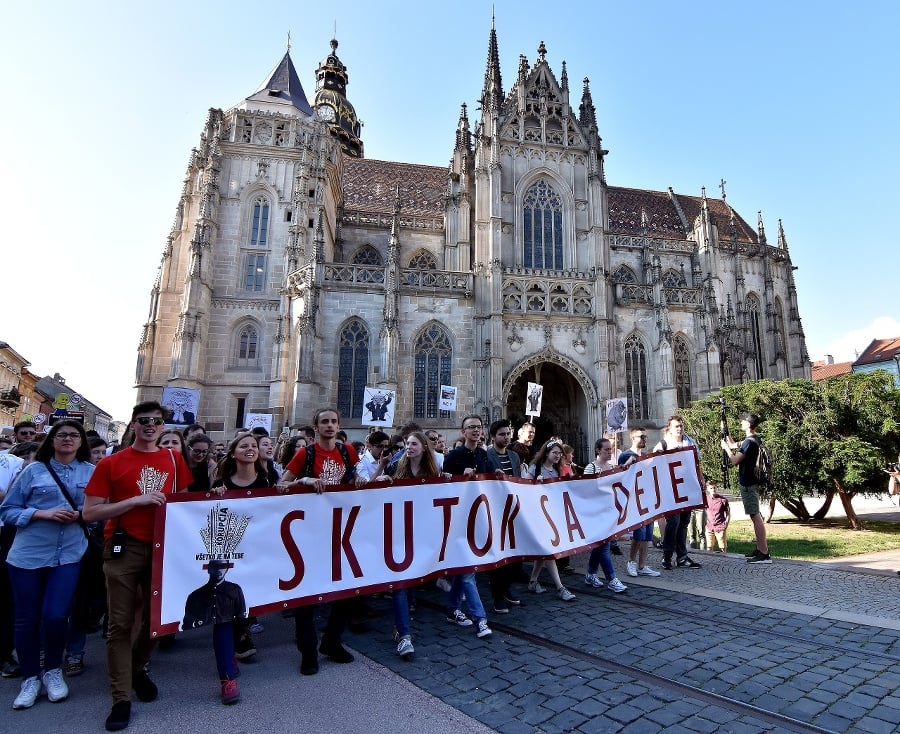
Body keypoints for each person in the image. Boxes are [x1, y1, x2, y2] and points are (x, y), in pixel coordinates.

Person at [82, 401, 192, 732]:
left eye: (156, 422)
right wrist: (134, 501)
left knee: (157, 620)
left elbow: (184, 503)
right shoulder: (112, 463)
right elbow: (90, 512)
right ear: (133, 425)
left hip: (162, 548)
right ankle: (121, 698)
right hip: (124, 546)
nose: (150, 426)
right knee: (120, 623)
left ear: (162, 427)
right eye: (143, 421)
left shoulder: (173, 458)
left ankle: (138, 667)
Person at [0, 419, 94, 710]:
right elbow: (9, 510)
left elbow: (99, 511)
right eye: (61, 435)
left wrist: (79, 514)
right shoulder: (33, 471)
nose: (67, 439)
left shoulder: (91, 472)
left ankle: (52, 670)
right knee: (26, 618)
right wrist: (42, 514)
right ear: (51, 440)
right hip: (29, 554)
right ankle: (30, 677)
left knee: (55, 615)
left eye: (73, 435)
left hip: (69, 553)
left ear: (81, 442)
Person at [277, 409, 359, 676]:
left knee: (348, 592)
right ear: (316, 426)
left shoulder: (348, 451)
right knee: (307, 598)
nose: (330, 425)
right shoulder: (306, 453)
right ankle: (308, 652)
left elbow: (352, 482)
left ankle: (332, 642)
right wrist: (304, 479)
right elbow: (282, 484)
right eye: (325, 421)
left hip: (341, 532)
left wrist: (361, 481)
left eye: (334, 421)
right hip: (309, 533)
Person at [522, 439, 576, 601]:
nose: (558, 456)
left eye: (560, 454)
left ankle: (532, 581)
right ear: (546, 453)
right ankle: (560, 587)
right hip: (538, 515)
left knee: (545, 552)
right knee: (550, 552)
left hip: (553, 515)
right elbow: (522, 486)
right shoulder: (535, 468)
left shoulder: (558, 471)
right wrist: (534, 483)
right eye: (555, 453)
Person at [653, 416, 702, 571]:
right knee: (673, 521)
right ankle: (667, 556)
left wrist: (701, 479)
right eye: (676, 426)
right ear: (670, 428)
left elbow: (696, 462)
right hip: (671, 489)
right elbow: (655, 463)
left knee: (684, 522)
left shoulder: (690, 442)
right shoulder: (664, 444)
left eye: (680, 426)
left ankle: (682, 556)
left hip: (687, 487)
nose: (679, 429)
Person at [722, 412, 772, 564]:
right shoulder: (752, 439)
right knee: (754, 515)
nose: (741, 423)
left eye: (743, 421)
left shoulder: (749, 442)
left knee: (755, 515)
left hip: (748, 482)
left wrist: (726, 449)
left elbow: (735, 460)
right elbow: (734, 444)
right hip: (751, 481)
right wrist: (726, 430)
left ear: (748, 424)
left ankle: (764, 553)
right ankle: (760, 548)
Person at [582, 438, 630, 593]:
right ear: (598, 450)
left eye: (611, 449)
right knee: (604, 546)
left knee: (601, 545)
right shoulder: (591, 468)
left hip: (609, 512)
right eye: (607, 449)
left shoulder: (612, 467)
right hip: (595, 514)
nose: (610, 452)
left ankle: (590, 574)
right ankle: (611, 578)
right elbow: (585, 490)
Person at [485, 419, 522, 613]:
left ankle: (506, 588)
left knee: (512, 557)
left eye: (508, 434)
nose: (506, 437)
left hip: (512, 510)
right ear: (493, 436)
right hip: (494, 512)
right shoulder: (486, 456)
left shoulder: (515, 456)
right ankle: (497, 596)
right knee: (497, 558)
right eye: (502, 434)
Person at [704, 479, 730, 552]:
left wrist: (726, 524)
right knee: (709, 547)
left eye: (714, 488)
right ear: (708, 489)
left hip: (720, 526)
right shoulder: (705, 499)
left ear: (717, 488)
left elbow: (728, 514)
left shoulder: (723, 500)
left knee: (722, 548)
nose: (713, 490)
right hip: (709, 527)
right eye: (711, 488)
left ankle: (724, 561)